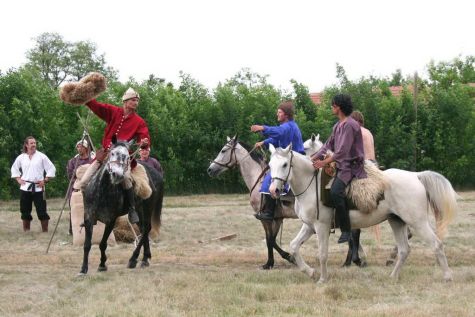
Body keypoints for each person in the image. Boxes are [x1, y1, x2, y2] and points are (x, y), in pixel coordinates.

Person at [73, 88, 150, 224]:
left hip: (122, 160)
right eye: (133, 100)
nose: (136, 102)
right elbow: (96, 106)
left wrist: (144, 143)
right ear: (125, 101)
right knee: (83, 182)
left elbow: (145, 139)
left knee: (125, 178)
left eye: (137, 100)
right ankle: (89, 213)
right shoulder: (113, 111)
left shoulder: (139, 121)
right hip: (105, 156)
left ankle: (132, 209)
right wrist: (86, 96)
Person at [311, 94, 367, 243]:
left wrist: (323, 163)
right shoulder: (337, 126)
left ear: (338, 107)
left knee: (336, 191)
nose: (331, 108)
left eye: (332, 105)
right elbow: (327, 145)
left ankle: (346, 230)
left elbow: (342, 152)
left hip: (351, 167)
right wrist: (313, 157)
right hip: (341, 165)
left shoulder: (350, 125)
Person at [250, 100, 305, 221]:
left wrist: (262, 128)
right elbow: (276, 138)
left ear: (286, 114)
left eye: (279, 112)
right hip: (291, 159)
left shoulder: (288, 126)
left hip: (293, 161)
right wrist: (264, 142)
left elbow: (278, 132)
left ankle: (270, 212)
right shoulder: (288, 126)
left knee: (269, 181)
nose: (277, 114)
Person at [10, 136, 56, 232]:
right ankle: (26, 231)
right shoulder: (21, 157)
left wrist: (45, 180)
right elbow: (14, 168)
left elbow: (51, 168)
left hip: (39, 188)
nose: (34, 145)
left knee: (42, 210)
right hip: (25, 187)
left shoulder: (41, 156)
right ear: (26, 145)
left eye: (34, 143)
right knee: (25, 210)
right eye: (31, 143)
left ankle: (45, 231)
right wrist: (18, 179)